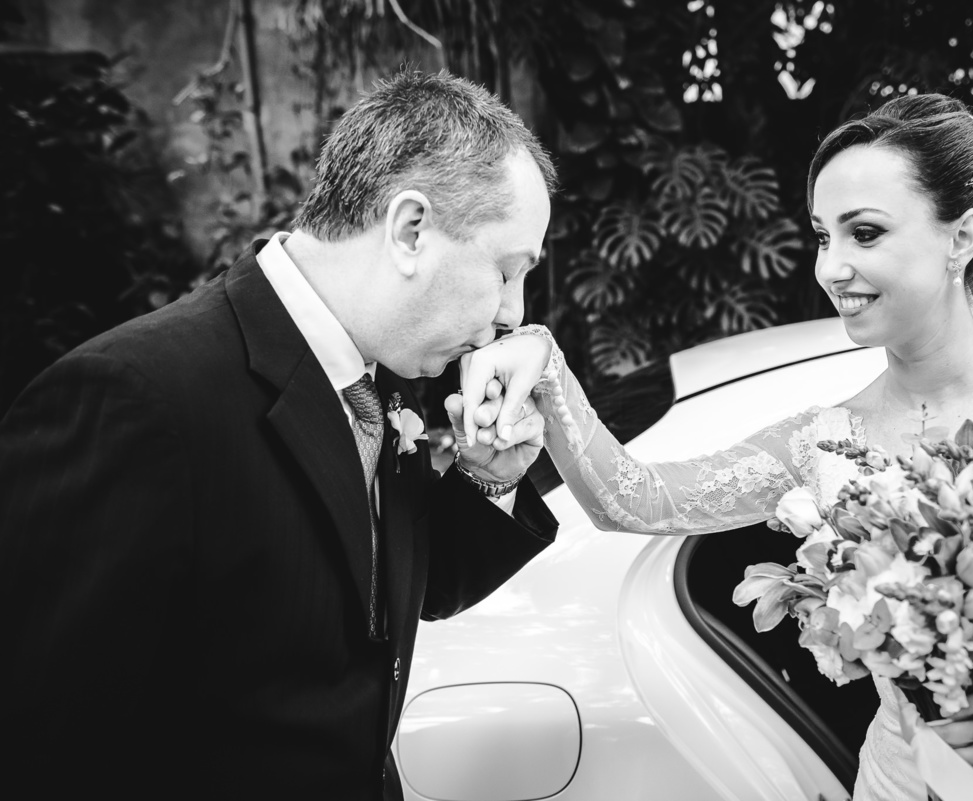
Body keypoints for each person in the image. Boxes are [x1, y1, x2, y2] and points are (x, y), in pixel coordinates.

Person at [460, 94, 973, 800]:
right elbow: (636, 497)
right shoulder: (825, 442)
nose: (830, 267)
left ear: (961, 238)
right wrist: (546, 364)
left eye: (864, 233)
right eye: (822, 234)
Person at [0, 69, 558, 801]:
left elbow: (391, 601)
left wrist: (490, 476)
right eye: (508, 271)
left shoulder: (387, 376)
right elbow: (36, 738)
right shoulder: (134, 400)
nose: (516, 314)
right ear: (411, 229)